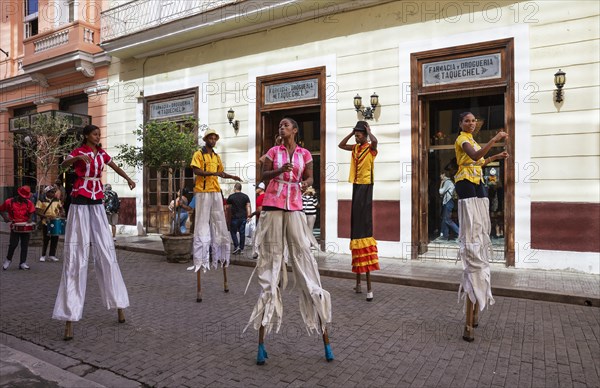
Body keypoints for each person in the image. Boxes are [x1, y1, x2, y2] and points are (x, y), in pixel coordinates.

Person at [245, 117, 333, 365]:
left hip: (294, 208)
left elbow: (310, 178)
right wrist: (279, 172)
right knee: (270, 269)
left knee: (306, 265)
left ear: (295, 130)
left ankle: (325, 338)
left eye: (286, 125)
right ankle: (261, 344)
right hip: (273, 208)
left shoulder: (305, 153)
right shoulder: (274, 151)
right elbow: (264, 174)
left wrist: (305, 183)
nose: (281, 127)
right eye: (280, 125)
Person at [52, 124, 136, 341]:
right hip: (80, 200)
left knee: (107, 253)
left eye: (99, 134)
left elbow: (114, 166)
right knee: (76, 255)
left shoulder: (101, 152)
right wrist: (76, 160)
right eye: (95, 134)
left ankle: (119, 304)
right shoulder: (79, 152)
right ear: (86, 136)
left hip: (97, 200)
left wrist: (128, 178)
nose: (98, 136)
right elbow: (64, 163)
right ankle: (70, 315)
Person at [454, 112, 509, 342]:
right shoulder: (462, 140)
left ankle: (474, 316)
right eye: (467, 120)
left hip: (476, 184)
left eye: (473, 120)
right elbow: (474, 155)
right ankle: (469, 321)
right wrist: (495, 139)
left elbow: (480, 161)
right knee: (472, 231)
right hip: (465, 185)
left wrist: (497, 155)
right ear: (461, 124)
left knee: (480, 228)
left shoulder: (474, 140)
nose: (471, 123)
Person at [189, 128, 241, 273]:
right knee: (202, 222)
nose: (213, 141)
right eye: (210, 138)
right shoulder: (199, 154)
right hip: (203, 192)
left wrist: (232, 177)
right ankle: (201, 258)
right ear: (205, 140)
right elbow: (196, 170)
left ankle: (220, 254)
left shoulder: (216, 156)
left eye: (214, 139)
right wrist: (213, 173)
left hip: (215, 191)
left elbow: (221, 173)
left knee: (219, 221)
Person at [338, 120, 380, 301]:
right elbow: (341, 145)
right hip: (356, 185)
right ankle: (358, 283)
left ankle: (365, 285)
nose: (357, 136)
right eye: (356, 133)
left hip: (366, 185)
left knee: (363, 225)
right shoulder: (355, 148)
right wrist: (350, 132)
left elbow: (376, 142)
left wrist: (369, 132)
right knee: (355, 226)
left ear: (365, 133)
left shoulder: (370, 148)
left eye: (359, 133)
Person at [1, 185, 36, 270]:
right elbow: (1, 209)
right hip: (15, 226)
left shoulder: (29, 203)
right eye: (23, 197)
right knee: (13, 244)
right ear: (19, 195)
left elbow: (32, 211)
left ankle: (22, 263)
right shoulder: (9, 202)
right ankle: (8, 260)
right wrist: (5, 217)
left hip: (25, 227)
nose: (24, 198)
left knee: (25, 245)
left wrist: (30, 219)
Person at [36, 185, 64, 262]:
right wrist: (45, 217)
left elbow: (61, 208)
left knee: (55, 239)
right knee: (46, 239)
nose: (53, 193)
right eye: (51, 192)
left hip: (55, 221)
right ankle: (43, 255)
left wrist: (61, 212)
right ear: (47, 192)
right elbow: (37, 211)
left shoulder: (56, 200)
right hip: (46, 222)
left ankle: (52, 255)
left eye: (54, 192)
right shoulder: (41, 200)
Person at [227, 183, 251, 255]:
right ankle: (241, 248)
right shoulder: (245, 196)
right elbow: (248, 206)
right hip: (243, 217)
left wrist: (228, 218)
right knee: (242, 233)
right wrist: (249, 216)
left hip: (234, 217)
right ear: (241, 188)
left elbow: (228, 208)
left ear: (235, 188)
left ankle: (236, 246)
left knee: (233, 232)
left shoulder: (231, 197)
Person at [438, 171, 459, 240]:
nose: (440, 176)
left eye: (441, 174)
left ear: (444, 175)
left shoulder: (447, 182)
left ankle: (459, 232)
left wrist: (441, 184)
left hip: (448, 202)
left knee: (447, 219)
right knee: (445, 219)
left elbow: (441, 192)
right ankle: (445, 235)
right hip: (448, 202)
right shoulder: (450, 182)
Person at [249, 182, 266, 259]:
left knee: (257, 236)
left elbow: (260, 209)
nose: (255, 189)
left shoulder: (260, 197)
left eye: (257, 188)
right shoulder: (266, 196)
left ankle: (257, 252)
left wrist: (252, 214)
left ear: (261, 189)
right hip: (265, 218)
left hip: (261, 219)